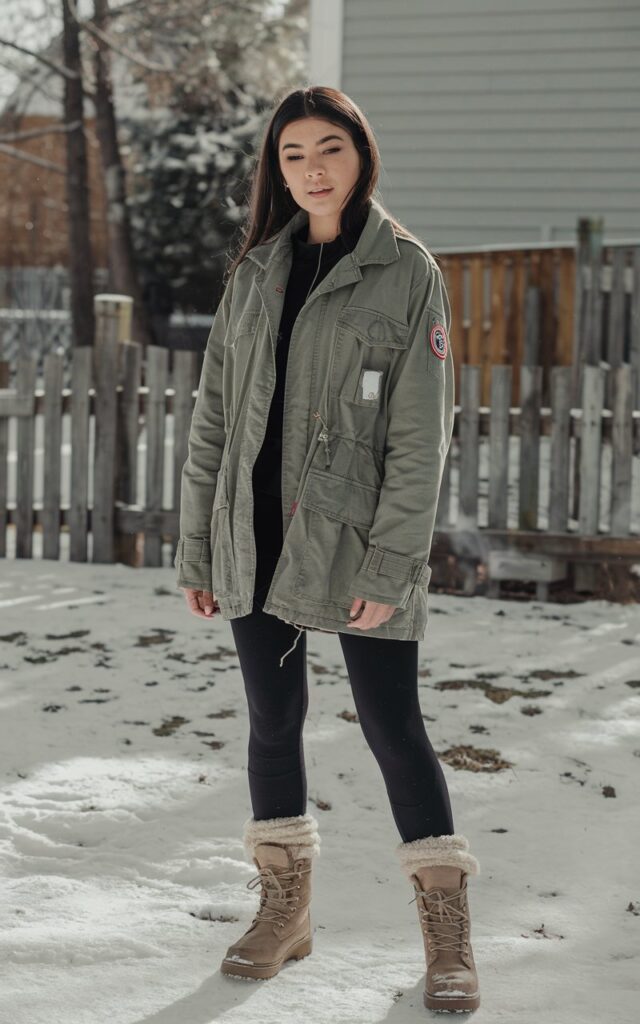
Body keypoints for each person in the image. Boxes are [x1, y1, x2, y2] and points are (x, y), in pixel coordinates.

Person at [175, 86, 481, 1012]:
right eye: (294, 152)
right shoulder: (256, 272)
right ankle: (287, 911)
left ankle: (446, 932)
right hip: (253, 538)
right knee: (273, 723)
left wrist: (392, 566)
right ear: (276, 167)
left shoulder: (405, 271)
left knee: (393, 727)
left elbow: (419, 439)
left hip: (356, 542)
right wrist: (200, 547)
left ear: (362, 157)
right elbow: (214, 420)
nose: (312, 167)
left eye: (331, 149)